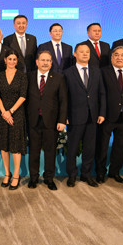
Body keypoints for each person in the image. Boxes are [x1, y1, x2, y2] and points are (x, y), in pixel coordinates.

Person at [64, 43, 106, 187]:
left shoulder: (96, 71)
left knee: (90, 148)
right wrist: (65, 116)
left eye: (87, 52)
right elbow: (65, 97)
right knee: (72, 148)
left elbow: (102, 93)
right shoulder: (67, 73)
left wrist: (102, 113)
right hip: (74, 116)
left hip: (93, 116)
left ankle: (86, 174)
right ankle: (72, 175)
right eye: (81, 52)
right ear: (75, 54)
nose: (85, 54)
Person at [26, 50, 68, 190]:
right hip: (33, 120)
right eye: (43, 60)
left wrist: (62, 120)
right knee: (34, 151)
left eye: (48, 60)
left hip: (51, 121)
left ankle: (49, 179)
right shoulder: (29, 76)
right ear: (37, 62)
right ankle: (33, 178)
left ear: (51, 63)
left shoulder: (59, 78)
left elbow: (63, 101)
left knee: (50, 152)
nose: (45, 63)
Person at [96, 46, 123, 184]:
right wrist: (101, 113)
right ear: (112, 57)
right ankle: (100, 172)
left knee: (120, 146)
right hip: (106, 116)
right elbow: (99, 94)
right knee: (102, 146)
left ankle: (115, 172)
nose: (119, 58)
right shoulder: (103, 72)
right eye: (116, 55)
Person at [0, 51, 28, 190]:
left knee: (15, 145)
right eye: (10, 59)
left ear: (17, 61)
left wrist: (10, 112)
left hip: (16, 114)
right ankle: (7, 174)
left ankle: (16, 175)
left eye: (14, 59)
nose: (12, 61)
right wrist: (4, 112)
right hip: (2, 114)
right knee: (4, 145)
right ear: (5, 60)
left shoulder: (22, 76)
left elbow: (23, 96)